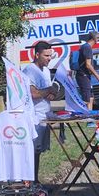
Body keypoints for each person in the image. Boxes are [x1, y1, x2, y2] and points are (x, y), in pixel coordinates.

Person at [23, 41, 57, 183]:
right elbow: (33, 94)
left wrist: (51, 93)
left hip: (44, 116)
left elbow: (46, 92)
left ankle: (35, 181)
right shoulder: (29, 70)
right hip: (34, 118)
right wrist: (48, 90)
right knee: (32, 152)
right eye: (46, 56)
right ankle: (30, 182)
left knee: (38, 152)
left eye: (50, 56)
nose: (49, 59)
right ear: (37, 55)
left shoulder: (46, 71)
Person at [70, 32, 99, 109]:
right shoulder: (87, 48)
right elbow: (88, 64)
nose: (98, 39)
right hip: (83, 75)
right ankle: (86, 114)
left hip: (85, 75)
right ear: (94, 38)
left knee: (90, 97)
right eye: (98, 38)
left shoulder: (85, 46)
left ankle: (90, 113)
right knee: (86, 99)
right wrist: (97, 75)